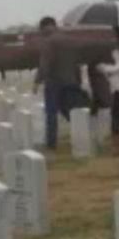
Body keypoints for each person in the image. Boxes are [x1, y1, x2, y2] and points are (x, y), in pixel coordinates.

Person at [35, 16, 79, 150]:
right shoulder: (69, 40)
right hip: (71, 80)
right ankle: (82, 138)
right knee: (73, 112)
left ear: (44, 27)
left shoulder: (48, 42)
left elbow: (45, 64)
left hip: (54, 82)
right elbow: (76, 62)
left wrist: (37, 82)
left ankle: (51, 143)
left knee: (51, 112)